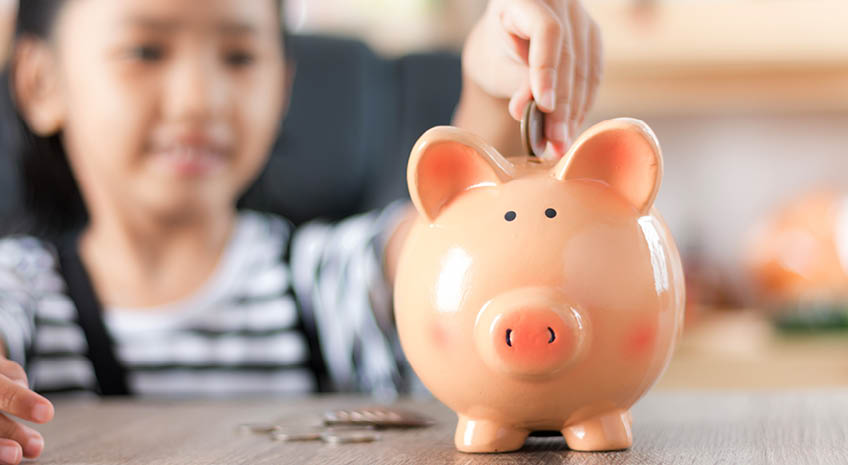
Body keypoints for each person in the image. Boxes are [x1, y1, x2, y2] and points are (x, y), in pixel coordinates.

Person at [0, 0, 601, 463]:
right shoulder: (17, 292)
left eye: (239, 57)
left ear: (284, 86)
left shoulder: (320, 281)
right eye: (146, 51)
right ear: (40, 82)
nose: (199, 100)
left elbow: (450, 250)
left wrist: (494, 94)